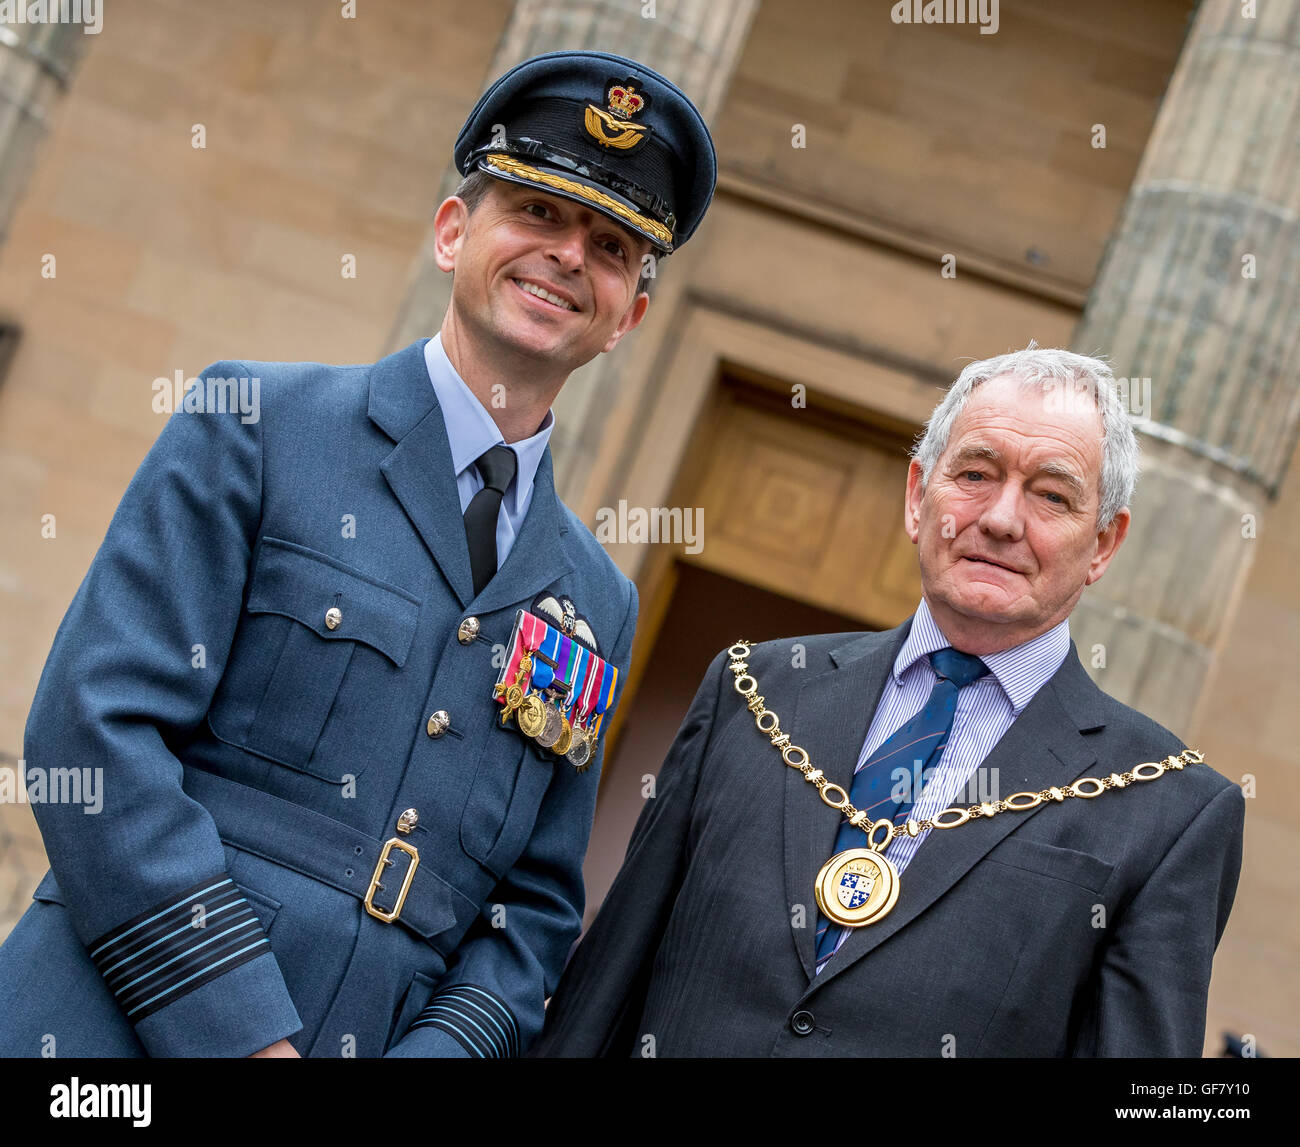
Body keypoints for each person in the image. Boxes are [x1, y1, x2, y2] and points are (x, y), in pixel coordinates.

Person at [0, 49, 716, 1058]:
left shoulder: (596, 599)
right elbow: (95, 735)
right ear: (452, 230)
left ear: (628, 317)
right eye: (538, 214)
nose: (567, 257)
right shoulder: (256, 424)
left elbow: (532, 911)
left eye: (609, 247)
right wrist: (245, 1040)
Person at [533, 346, 1246, 1058]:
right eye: (975, 473)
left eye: (1052, 495)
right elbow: (603, 990)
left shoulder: (1168, 809)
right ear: (917, 496)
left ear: (1103, 545)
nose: (1001, 518)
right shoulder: (751, 690)